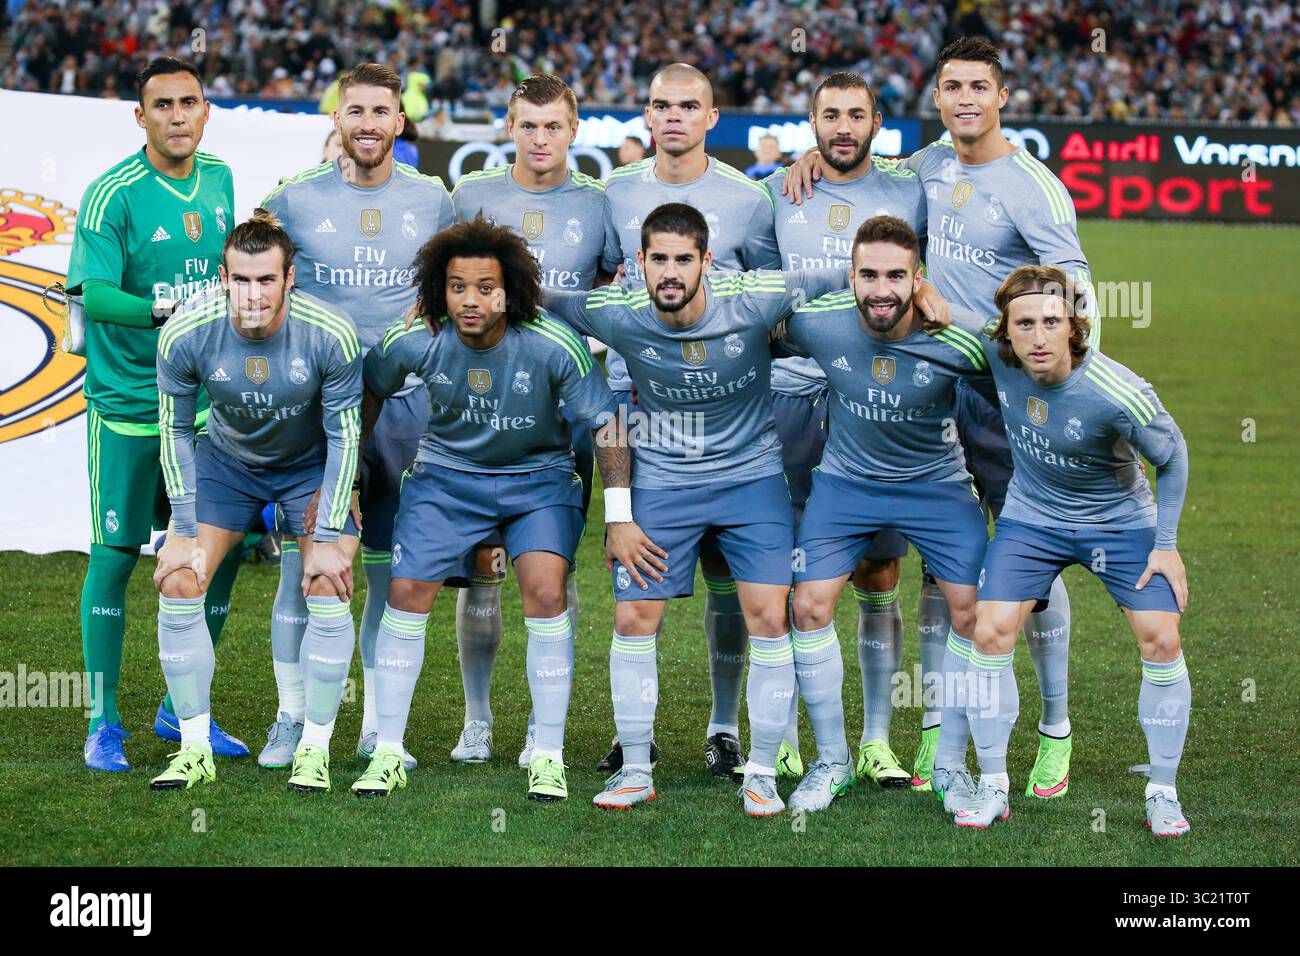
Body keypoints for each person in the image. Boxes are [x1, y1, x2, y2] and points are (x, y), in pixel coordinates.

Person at [780, 37, 1096, 800]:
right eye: (951, 86)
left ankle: (1054, 729)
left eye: (977, 87)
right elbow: (855, 175)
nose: (963, 99)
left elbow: (1077, 285)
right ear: (937, 96)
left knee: (1034, 570)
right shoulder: (924, 166)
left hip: (1001, 392)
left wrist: (1057, 383)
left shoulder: (1033, 186)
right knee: (941, 567)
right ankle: (934, 733)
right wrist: (807, 161)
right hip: (930, 385)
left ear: (1001, 96)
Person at [543, 203, 848, 816]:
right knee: (633, 620)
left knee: (769, 616)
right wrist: (620, 514)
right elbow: (541, 296)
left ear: (708, 262)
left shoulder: (757, 298)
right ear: (639, 264)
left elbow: (851, 273)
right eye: (659, 259)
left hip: (752, 479)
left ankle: (761, 771)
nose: (671, 272)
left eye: (684, 259)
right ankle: (634, 769)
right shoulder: (617, 312)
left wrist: (919, 290)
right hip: (662, 482)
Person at [353, 216, 636, 802]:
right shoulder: (416, 336)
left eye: (486, 287)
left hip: (539, 479)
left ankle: (548, 754)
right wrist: (351, 475)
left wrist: (619, 513)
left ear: (512, 290)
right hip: (447, 478)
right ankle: (386, 751)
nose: (470, 299)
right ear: (440, 289)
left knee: (546, 590)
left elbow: (607, 422)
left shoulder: (552, 342)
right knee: (405, 592)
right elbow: (370, 388)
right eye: (457, 287)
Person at [258, 63, 454, 771]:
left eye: (381, 111)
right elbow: (250, 266)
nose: (368, 123)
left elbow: (464, 277)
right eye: (355, 111)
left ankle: (375, 720)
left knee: (385, 567)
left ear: (400, 124)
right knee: (302, 564)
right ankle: (290, 717)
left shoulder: (434, 197)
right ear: (336, 121)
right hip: (320, 409)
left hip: (408, 409)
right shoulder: (293, 198)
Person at [953, 265, 1190, 836]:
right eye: (1025, 323)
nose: (1038, 337)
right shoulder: (997, 357)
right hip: (1032, 519)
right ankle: (993, 786)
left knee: (1162, 637)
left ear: (1074, 325)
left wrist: (1167, 546)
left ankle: (1162, 790)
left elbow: (1173, 456)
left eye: (1051, 322)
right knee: (988, 631)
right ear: (1005, 330)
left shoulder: (1118, 392)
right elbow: (942, 325)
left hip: (1120, 522)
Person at [597, 62, 782, 778]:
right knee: (633, 572)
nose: (673, 116)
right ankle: (632, 738)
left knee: (729, 577)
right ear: (646, 115)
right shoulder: (613, 193)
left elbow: (771, 296)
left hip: (730, 418)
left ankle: (724, 724)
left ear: (713, 116)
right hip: (634, 409)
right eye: (660, 105)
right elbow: (595, 284)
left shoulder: (749, 199)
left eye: (689, 106)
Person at [774, 216, 993, 813]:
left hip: (938, 487)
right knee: (808, 605)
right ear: (850, 277)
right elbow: (752, 313)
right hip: (846, 486)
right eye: (868, 275)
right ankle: (832, 761)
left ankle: (950, 768)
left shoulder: (957, 339)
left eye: (896, 276)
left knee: (974, 614)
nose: (881, 289)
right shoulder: (820, 324)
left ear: (918, 279)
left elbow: (1025, 359)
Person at [67, 56, 246, 772]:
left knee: (221, 554)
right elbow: (92, 295)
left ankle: (181, 708)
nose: (178, 115)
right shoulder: (112, 194)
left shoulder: (224, 179)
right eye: (163, 104)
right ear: (140, 116)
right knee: (113, 557)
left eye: (190, 102)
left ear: (205, 111)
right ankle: (101, 720)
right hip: (130, 409)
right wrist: (169, 310)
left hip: (207, 411)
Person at [149, 211, 362, 792]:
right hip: (226, 465)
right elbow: (172, 431)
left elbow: (346, 437)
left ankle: (312, 746)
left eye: (265, 280)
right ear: (222, 277)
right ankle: (193, 747)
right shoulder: (185, 332)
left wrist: (327, 535)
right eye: (240, 279)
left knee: (326, 582)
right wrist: (185, 528)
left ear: (290, 278)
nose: (252, 294)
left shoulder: (331, 334)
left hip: (309, 469)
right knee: (180, 578)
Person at [447, 73, 620, 767]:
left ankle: (544, 727)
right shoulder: (473, 198)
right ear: (508, 127)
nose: (540, 139)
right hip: (479, 403)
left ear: (575, 130)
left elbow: (615, 285)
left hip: (566, 411)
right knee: (484, 564)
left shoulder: (600, 207)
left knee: (554, 569)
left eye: (553, 126)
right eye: (527, 125)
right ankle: (477, 719)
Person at [764, 71, 931, 788]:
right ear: (809, 120)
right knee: (783, 578)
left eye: (854, 115)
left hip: (876, 405)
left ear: (877, 122)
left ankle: (875, 739)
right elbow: (744, 283)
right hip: (787, 399)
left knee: (878, 571)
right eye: (828, 115)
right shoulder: (773, 191)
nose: (841, 127)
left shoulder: (909, 190)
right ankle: (783, 736)